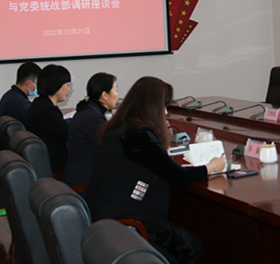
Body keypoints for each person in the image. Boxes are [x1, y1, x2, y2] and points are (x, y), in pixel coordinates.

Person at [85, 76, 226, 264]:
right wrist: (210, 167)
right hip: (131, 223)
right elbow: (178, 176)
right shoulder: (138, 135)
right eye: (163, 106)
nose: (166, 112)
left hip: (106, 216)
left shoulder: (118, 128)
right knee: (193, 245)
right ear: (152, 107)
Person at [62, 72, 118, 187]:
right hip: (83, 184)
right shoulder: (93, 118)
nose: (117, 95)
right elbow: (113, 148)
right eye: (115, 90)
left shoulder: (89, 111)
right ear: (104, 95)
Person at [23, 64, 72, 173]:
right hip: (55, 167)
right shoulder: (46, 111)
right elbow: (70, 133)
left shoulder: (41, 104)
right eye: (67, 85)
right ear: (56, 85)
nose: (69, 90)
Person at [0, 62, 41, 151]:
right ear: (29, 83)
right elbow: (38, 122)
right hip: (16, 152)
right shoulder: (19, 103)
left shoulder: (10, 95)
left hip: (7, 151)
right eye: (37, 83)